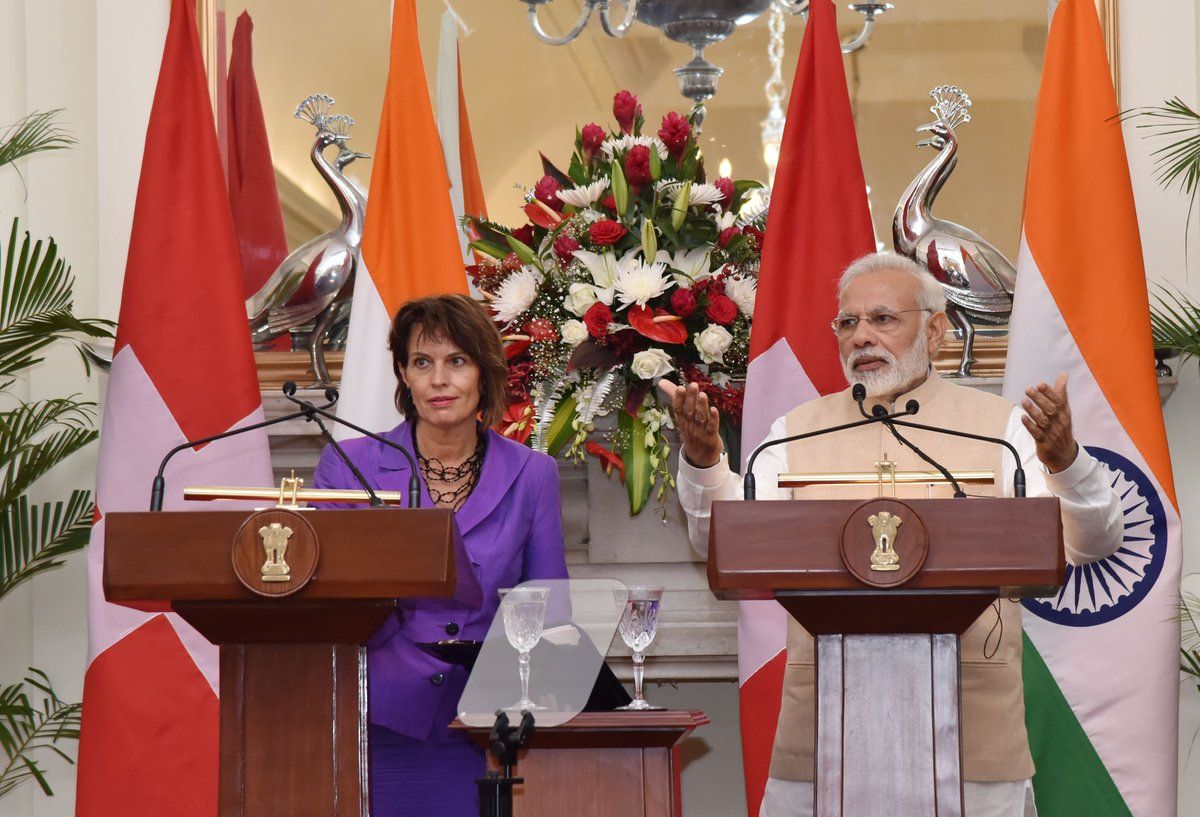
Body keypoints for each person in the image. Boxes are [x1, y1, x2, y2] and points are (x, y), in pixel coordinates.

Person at [659, 252, 1124, 817]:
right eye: (848, 323)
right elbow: (724, 547)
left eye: (883, 319)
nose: (861, 337)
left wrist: (1066, 462)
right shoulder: (793, 434)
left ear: (935, 329)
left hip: (972, 742)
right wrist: (707, 463)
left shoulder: (1003, 431)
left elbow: (1093, 542)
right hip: (822, 740)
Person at [314, 294, 568, 817]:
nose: (439, 380)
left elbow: (548, 607)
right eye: (422, 363)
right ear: (403, 376)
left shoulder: (533, 473)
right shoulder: (348, 465)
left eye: (457, 361)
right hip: (379, 720)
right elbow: (330, 597)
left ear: (483, 373)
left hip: (490, 728)